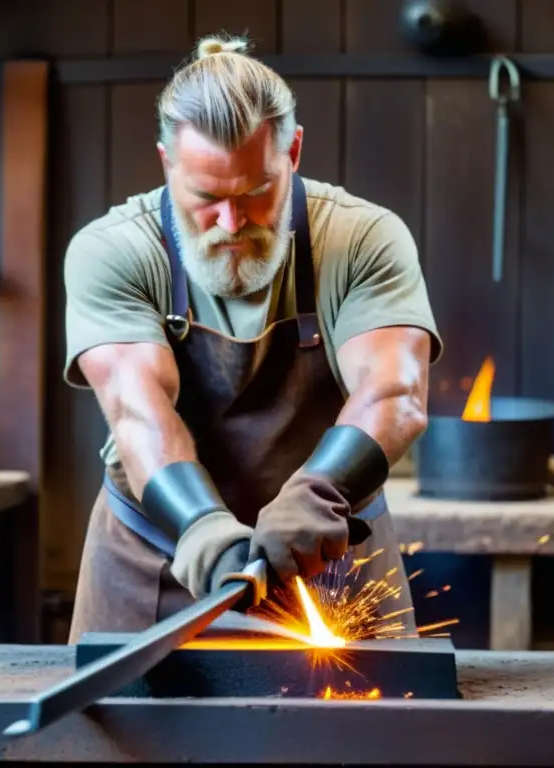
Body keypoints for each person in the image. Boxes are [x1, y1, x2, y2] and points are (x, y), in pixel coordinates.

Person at [63, 34, 442, 640]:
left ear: (292, 150)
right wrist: (202, 527)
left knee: (368, 731)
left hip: (329, 544)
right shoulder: (113, 251)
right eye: (206, 199)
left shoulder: (363, 239)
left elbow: (395, 392)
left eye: (256, 193)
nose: (231, 223)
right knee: (120, 733)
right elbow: (137, 413)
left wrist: (318, 494)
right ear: (167, 162)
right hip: (160, 552)